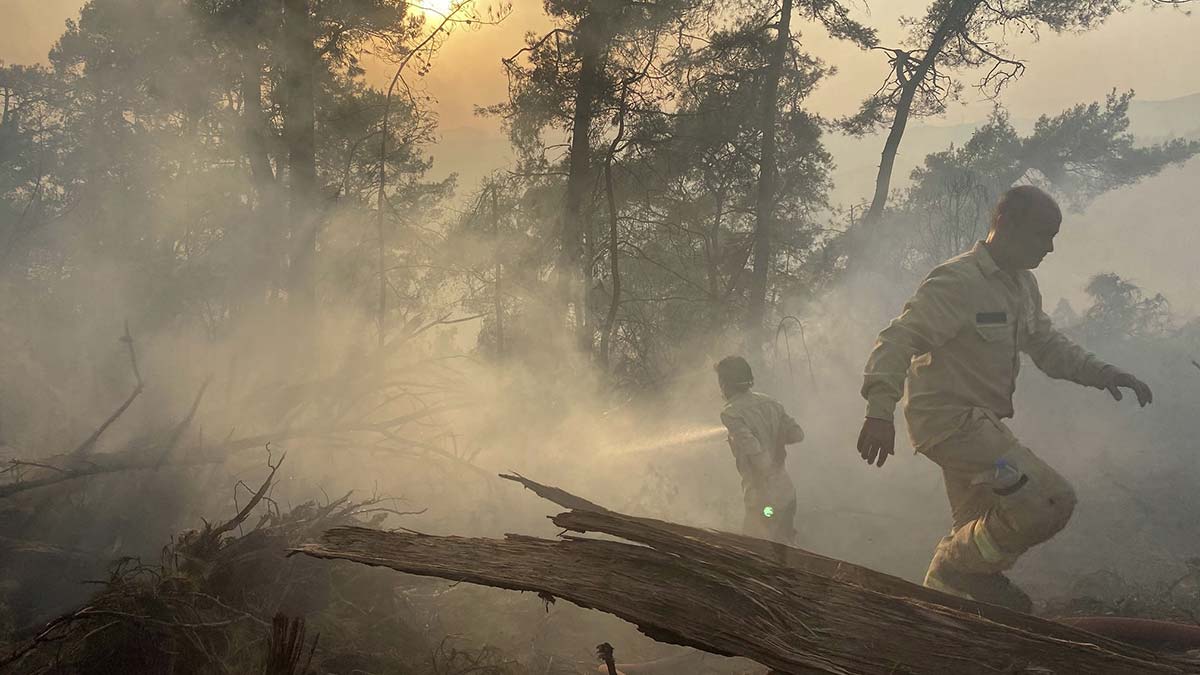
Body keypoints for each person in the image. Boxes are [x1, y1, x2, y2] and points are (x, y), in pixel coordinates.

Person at [856, 185, 1154, 612]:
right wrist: (878, 413)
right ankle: (953, 571)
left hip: (981, 429)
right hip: (953, 427)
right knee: (1049, 502)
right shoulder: (957, 281)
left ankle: (940, 613)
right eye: (1042, 235)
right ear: (1007, 226)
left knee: (978, 534)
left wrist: (1105, 373)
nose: (1050, 248)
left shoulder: (1022, 286)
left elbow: (1048, 345)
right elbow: (896, 341)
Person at [716, 355, 805, 544]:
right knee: (785, 548)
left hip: (762, 498)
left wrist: (764, 461)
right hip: (787, 493)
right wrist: (777, 440)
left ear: (725, 383)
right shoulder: (771, 403)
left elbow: (754, 450)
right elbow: (797, 434)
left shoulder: (731, 413)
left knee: (753, 550)